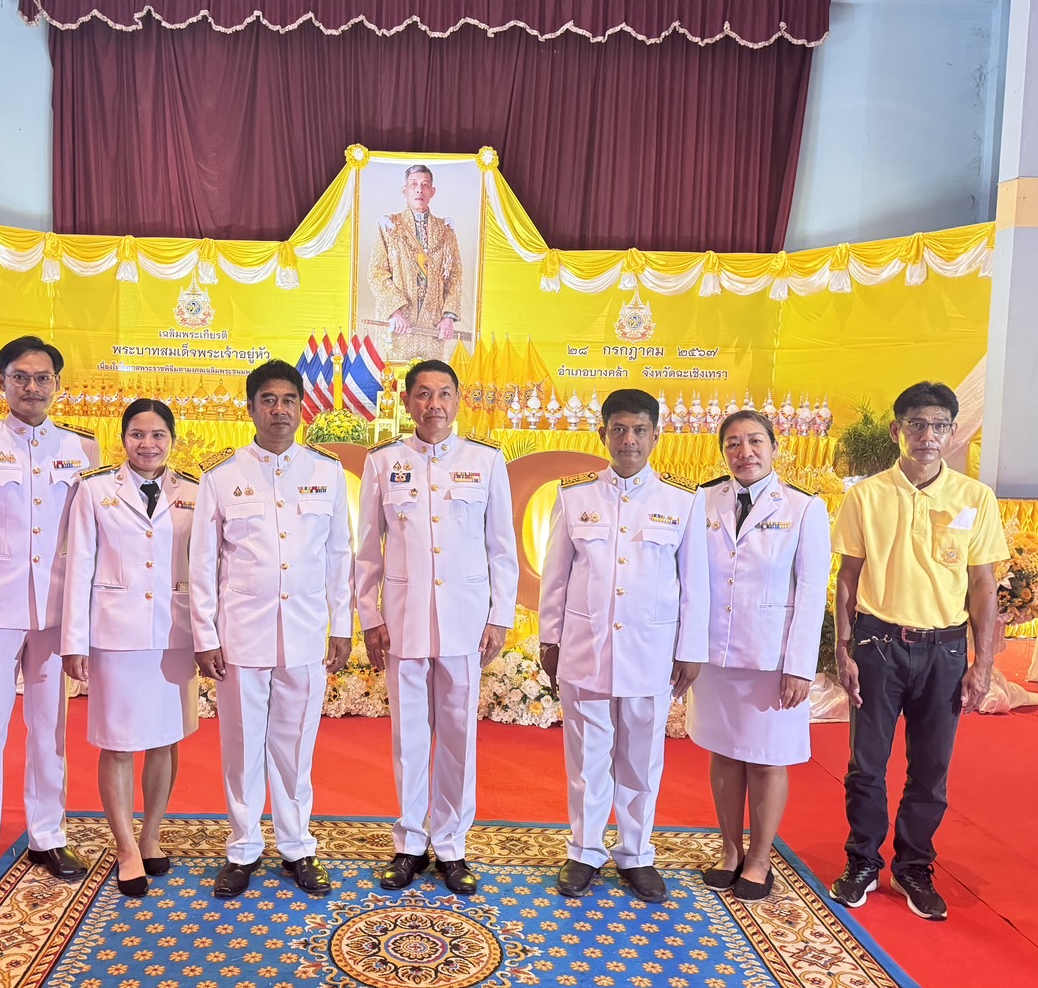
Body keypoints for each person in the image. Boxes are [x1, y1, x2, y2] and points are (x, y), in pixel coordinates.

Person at [830, 381, 1008, 921]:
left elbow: (982, 584)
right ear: (897, 430)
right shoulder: (866, 496)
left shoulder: (974, 497)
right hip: (878, 645)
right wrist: (843, 648)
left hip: (945, 651)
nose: (928, 435)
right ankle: (862, 861)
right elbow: (848, 577)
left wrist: (984, 662)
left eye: (938, 426)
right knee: (867, 764)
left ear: (952, 433)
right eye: (917, 424)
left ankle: (913, 866)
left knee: (931, 769)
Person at [0, 335, 100, 899]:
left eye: (42, 377)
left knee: (50, 729)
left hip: (55, 613)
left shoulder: (82, 449)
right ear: (2, 382)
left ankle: (48, 834)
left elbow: (91, 538)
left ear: (58, 384)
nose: (32, 387)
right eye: (21, 377)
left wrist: (82, 620)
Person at [190, 361, 352, 899]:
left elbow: (339, 555)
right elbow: (202, 563)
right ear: (251, 407)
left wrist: (342, 624)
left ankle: (297, 845)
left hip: (305, 631)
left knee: (296, 744)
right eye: (268, 400)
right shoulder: (221, 474)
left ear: (302, 407)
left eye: (288, 400)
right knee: (240, 746)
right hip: (241, 633)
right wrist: (205, 634)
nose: (279, 410)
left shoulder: (326, 471)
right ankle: (242, 848)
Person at [537, 389, 707, 901]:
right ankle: (584, 850)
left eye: (639, 430)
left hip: (650, 652)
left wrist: (690, 649)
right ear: (603, 434)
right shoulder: (574, 496)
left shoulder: (682, 501)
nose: (628, 440)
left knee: (640, 759)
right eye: (618, 429)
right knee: (587, 759)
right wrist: (549, 638)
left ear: (656, 436)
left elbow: (695, 584)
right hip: (585, 647)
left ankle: (636, 853)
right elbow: (555, 576)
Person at [356, 359, 517, 894]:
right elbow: (367, 551)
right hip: (403, 622)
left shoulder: (486, 461)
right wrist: (370, 616)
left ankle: (451, 845)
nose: (434, 404)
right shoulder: (383, 462)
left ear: (458, 399)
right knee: (408, 737)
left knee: (458, 736)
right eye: (423, 394)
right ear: (406, 402)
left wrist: (499, 615)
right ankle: (409, 843)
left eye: (444, 393)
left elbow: (502, 548)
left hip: (465, 622)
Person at [687, 410, 831, 901]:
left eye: (754, 441)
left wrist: (800, 665)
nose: (744, 452)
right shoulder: (703, 501)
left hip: (772, 657)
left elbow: (811, 591)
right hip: (714, 653)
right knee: (724, 752)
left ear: (774, 447)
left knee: (767, 759)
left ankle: (760, 857)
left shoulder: (803, 508)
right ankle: (730, 850)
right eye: (733, 443)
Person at [62, 398, 200, 897]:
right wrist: (74, 639)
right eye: (138, 434)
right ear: (122, 439)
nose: (148, 444)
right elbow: (78, 564)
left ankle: (151, 835)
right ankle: (124, 848)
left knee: (166, 739)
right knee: (119, 743)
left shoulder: (194, 491)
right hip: (115, 634)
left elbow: (206, 565)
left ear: (172, 440)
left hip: (175, 634)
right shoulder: (95, 489)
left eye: (158, 435)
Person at [367, 164, 464, 362]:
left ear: (432, 191)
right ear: (405, 190)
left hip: (433, 325)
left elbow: (454, 275)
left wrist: (448, 317)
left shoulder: (445, 230)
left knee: (430, 377)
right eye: (414, 184)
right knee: (394, 377)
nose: (419, 189)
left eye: (425, 184)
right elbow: (377, 272)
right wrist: (394, 311)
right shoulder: (389, 226)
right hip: (399, 323)